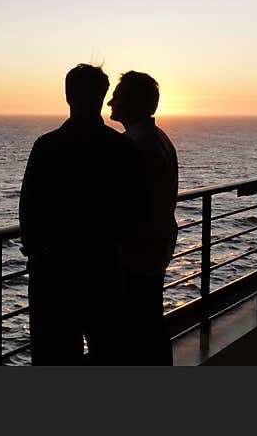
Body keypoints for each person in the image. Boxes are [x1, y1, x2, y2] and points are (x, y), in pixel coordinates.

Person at [20, 64, 144, 365]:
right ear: (101, 97)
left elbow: (29, 210)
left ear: (67, 96)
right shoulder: (121, 148)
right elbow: (134, 210)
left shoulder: (47, 146)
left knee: (54, 357)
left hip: (54, 274)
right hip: (104, 270)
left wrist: (38, 251)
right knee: (111, 353)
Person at [108, 71, 179, 365]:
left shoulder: (135, 146)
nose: (111, 101)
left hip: (135, 254)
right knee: (150, 323)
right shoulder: (157, 139)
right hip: (153, 249)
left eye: (119, 96)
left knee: (136, 330)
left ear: (136, 103)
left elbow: (123, 205)